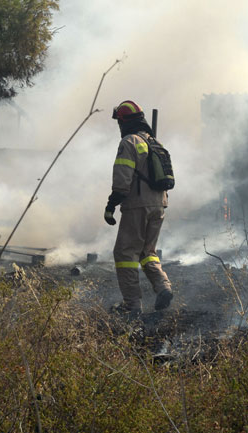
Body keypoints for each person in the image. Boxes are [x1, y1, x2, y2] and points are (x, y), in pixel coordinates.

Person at [104, 100, 173, 319]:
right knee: (147, 252)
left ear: (124, 122)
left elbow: (122, 178)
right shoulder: (155, 142)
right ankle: (163, 287)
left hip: (137, 205)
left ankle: (132, 305)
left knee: (125, 253)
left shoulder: (129, 142)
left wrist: (111, 204)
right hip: (159, 204)